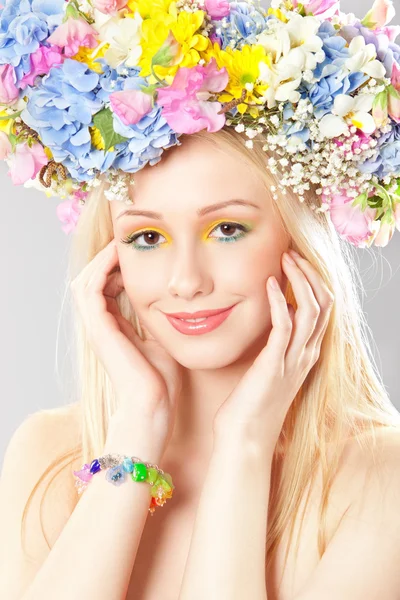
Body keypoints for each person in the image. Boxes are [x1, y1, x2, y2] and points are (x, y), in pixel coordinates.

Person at [0, 0, 400, 599]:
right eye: (147, 238)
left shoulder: (381, 477)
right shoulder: (47, 454)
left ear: (301, 239)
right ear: (110, 262)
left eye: (227, 229)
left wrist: (244, 444)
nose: (185, 281)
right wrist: (137, 426)